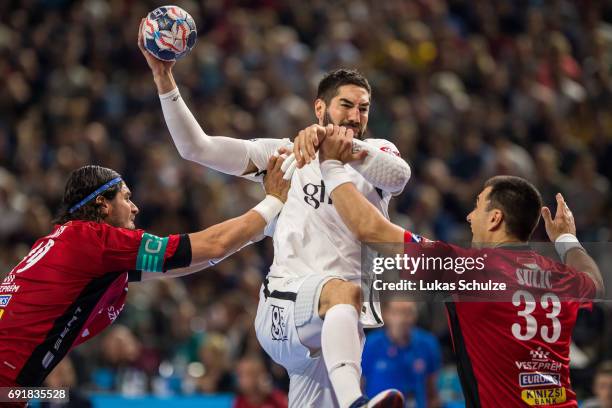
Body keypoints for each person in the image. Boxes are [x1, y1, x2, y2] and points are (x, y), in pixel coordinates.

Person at [139, 20, 410, 408]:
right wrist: (164, 77)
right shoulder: (282, 155)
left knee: (344, 303)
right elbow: (196, 147)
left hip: (337, 327)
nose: (355, 116)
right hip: (287, 304)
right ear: (320, 108)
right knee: (342, 294)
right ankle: (357, 404)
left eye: (363, 109)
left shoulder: (378, 154)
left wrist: (337, 150)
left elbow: (400, 175)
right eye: (346, 105)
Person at [315, 126, 604, 407]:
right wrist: (566, 238)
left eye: (477, 206)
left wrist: (330, 164)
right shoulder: (560, 276)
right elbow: (594, 282)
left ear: (495, 219)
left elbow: (370, 229)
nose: (469, 216)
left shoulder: (470, 268)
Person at [0, 159, 290, 402]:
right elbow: (212, 245)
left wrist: (261, 229)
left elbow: (193, 260)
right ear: (102, 205)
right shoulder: (97, 240)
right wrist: (273, 200)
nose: (135, 207)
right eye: (126, 197)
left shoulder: (74, 246)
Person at [362, 302, 441, 408]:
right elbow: (359, 385)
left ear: (415, 316)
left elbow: (432, 390)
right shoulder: (370, 343)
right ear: (386, 315)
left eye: (407, 313)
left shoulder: (428, 343)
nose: (402, 319)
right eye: (396, 313)